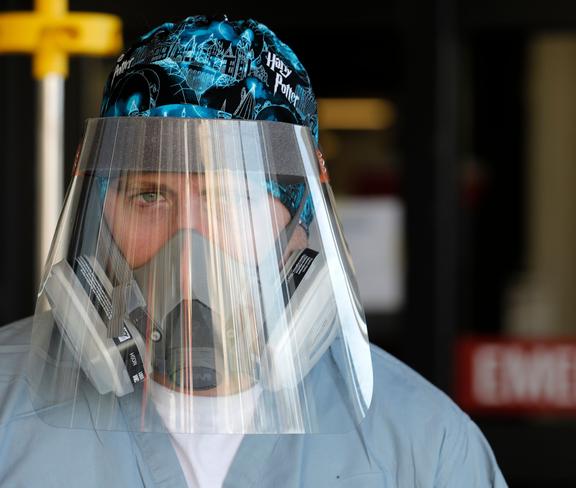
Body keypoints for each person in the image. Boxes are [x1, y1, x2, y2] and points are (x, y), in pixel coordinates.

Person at [0, 15, 508, 487]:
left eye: (233, 197)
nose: (188, 246)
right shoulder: (7, 412)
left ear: (300, 224)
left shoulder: (424, 451)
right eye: (149, 195)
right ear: (101, 213)